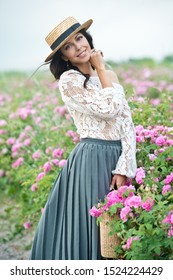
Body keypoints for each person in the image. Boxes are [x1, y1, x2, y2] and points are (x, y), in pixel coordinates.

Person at [29, 16, 137, 260]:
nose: (78, 47)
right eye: (68, 46)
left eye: (79, 38)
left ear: (87, 38)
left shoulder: (109, 75)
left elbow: (126, 123)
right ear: (64, 57)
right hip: (91, 159)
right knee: (93, 229)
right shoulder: (69, 81)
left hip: (117, 155)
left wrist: (125, 166)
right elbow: (108, 109)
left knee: (118, 232)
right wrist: (100, 69)